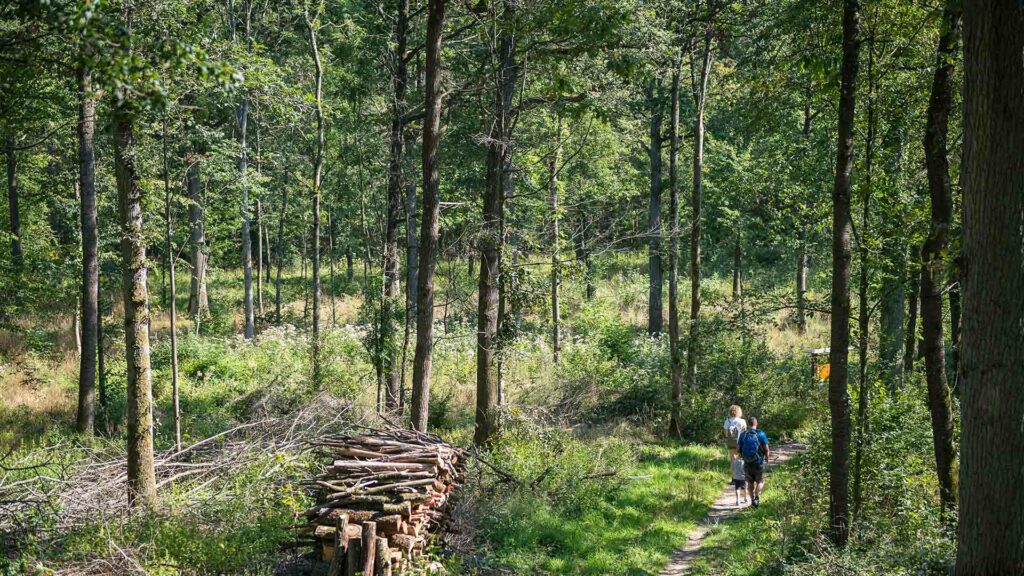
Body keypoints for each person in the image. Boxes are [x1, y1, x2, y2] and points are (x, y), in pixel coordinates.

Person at [739, 417, 770, 508]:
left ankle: (752, 500)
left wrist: (743, 456)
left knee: (750, 482)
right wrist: (767, 458)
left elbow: (738, 449)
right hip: (758, 462)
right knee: (760, 481)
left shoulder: (743, 435)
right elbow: (766, 449)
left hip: (747, 462)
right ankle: (757, 497)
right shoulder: (761, 434)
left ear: (748, 424)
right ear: (756, 424)